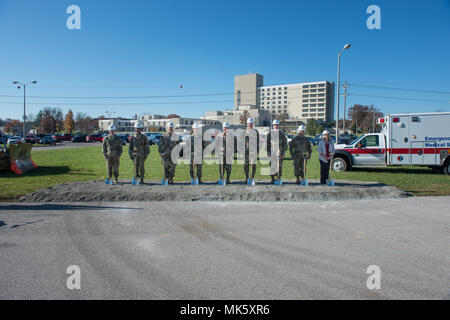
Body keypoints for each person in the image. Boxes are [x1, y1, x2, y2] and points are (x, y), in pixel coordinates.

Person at [266, 119, 288, 184]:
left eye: (277, 125)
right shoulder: (269, 134)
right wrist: (268, 152)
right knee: (272, 166)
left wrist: (284, 152)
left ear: (278, 126)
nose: (275, 126)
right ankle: (272, 179)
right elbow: (267, 144)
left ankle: (278, 178)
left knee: (279, 166)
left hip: (279, 153)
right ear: (273, 126)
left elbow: (285, 144)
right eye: (274, 125)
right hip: (272, 153)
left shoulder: (282, 134)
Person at [243, 117, 259, 183]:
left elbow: (258, 142)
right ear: (247, 124)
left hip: (253, 151)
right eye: (249, 124)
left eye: (251, 124)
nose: (250, 125)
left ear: (253, 124)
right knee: (246, 165)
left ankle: (252, 178)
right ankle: (247, 178)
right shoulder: (244, 131)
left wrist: (258, 150)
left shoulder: (256, 131)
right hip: (246, 151)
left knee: (253, 165)